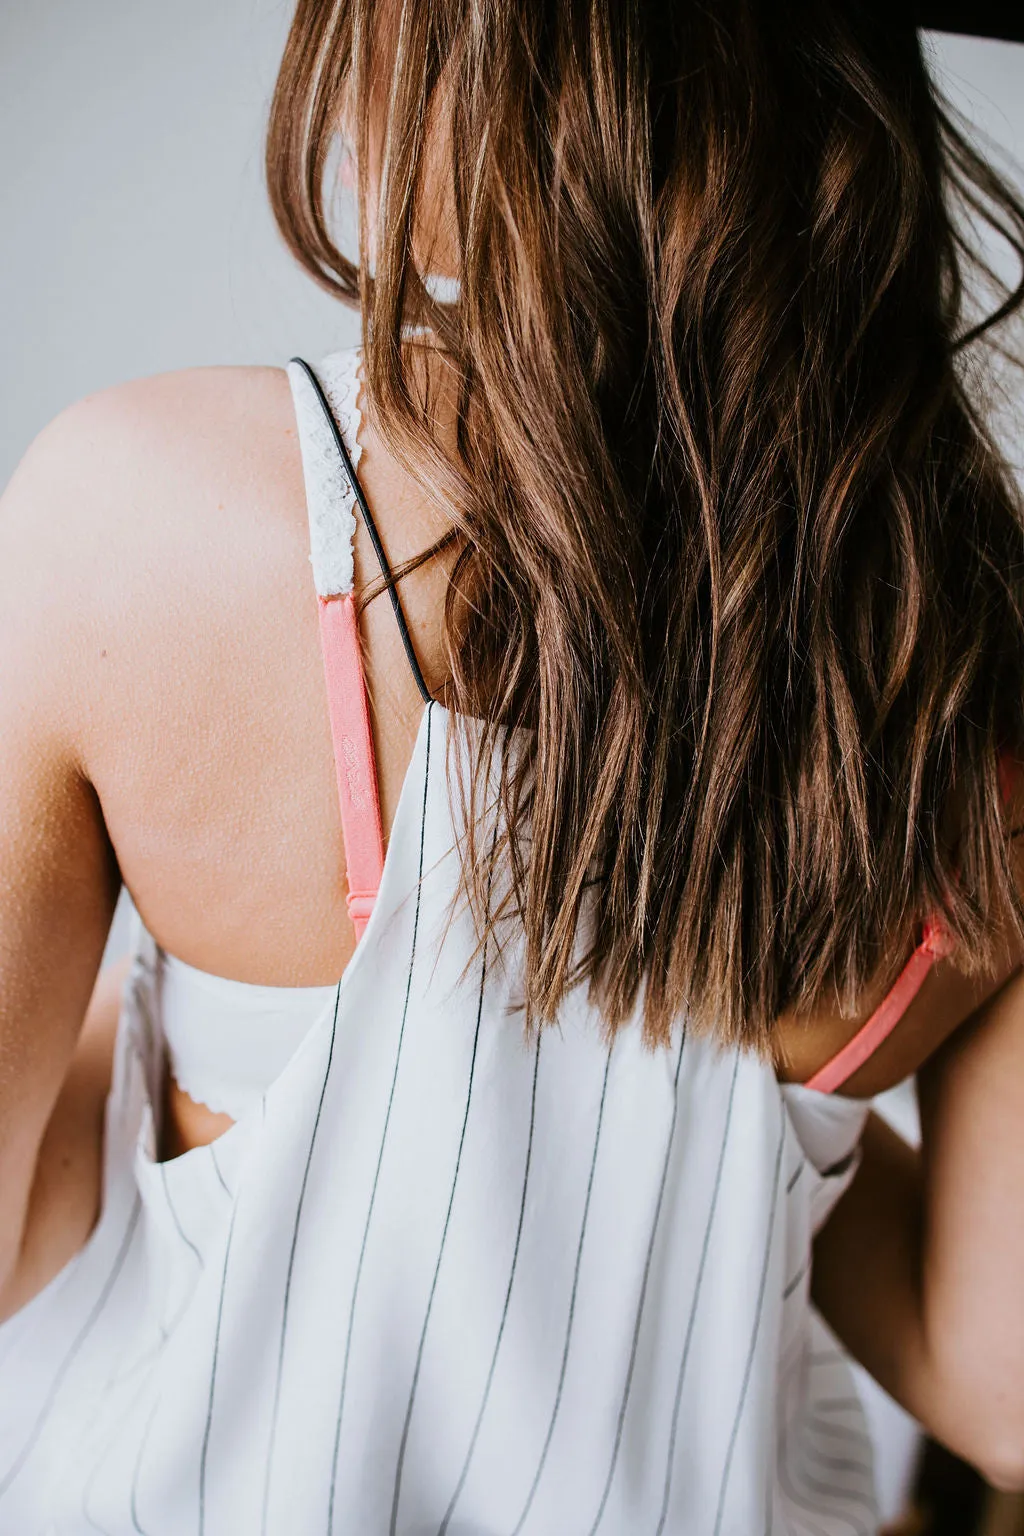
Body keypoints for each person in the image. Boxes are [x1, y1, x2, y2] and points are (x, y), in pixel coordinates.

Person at [1, 1, 1023, 1530]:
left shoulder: (132, 517)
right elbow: (997, 1383)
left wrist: (179, 1046)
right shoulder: (976, 683)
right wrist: (749, 1116)